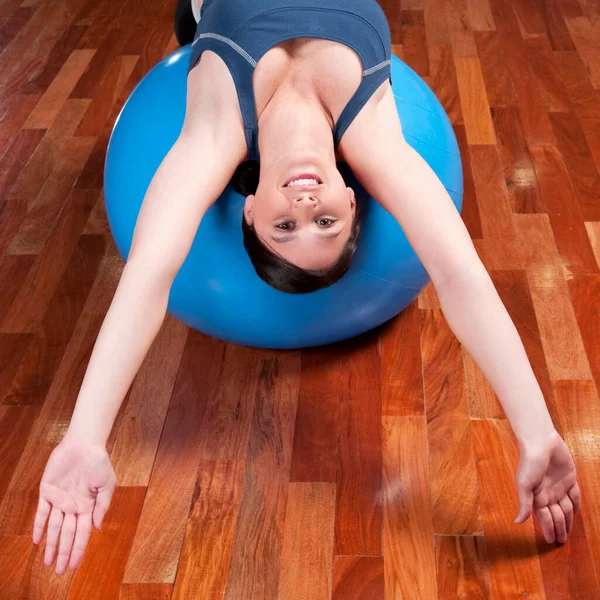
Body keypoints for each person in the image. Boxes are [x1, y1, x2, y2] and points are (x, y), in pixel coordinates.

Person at [32, 0, 580, 576]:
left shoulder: (214, 134)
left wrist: (87, 438)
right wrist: (536, 431)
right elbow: (459, 275)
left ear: (247, 212)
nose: (306, 206)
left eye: (283, 227)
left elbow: (149, 276)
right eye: (326, 223)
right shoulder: (375, 138)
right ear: (350, 199)